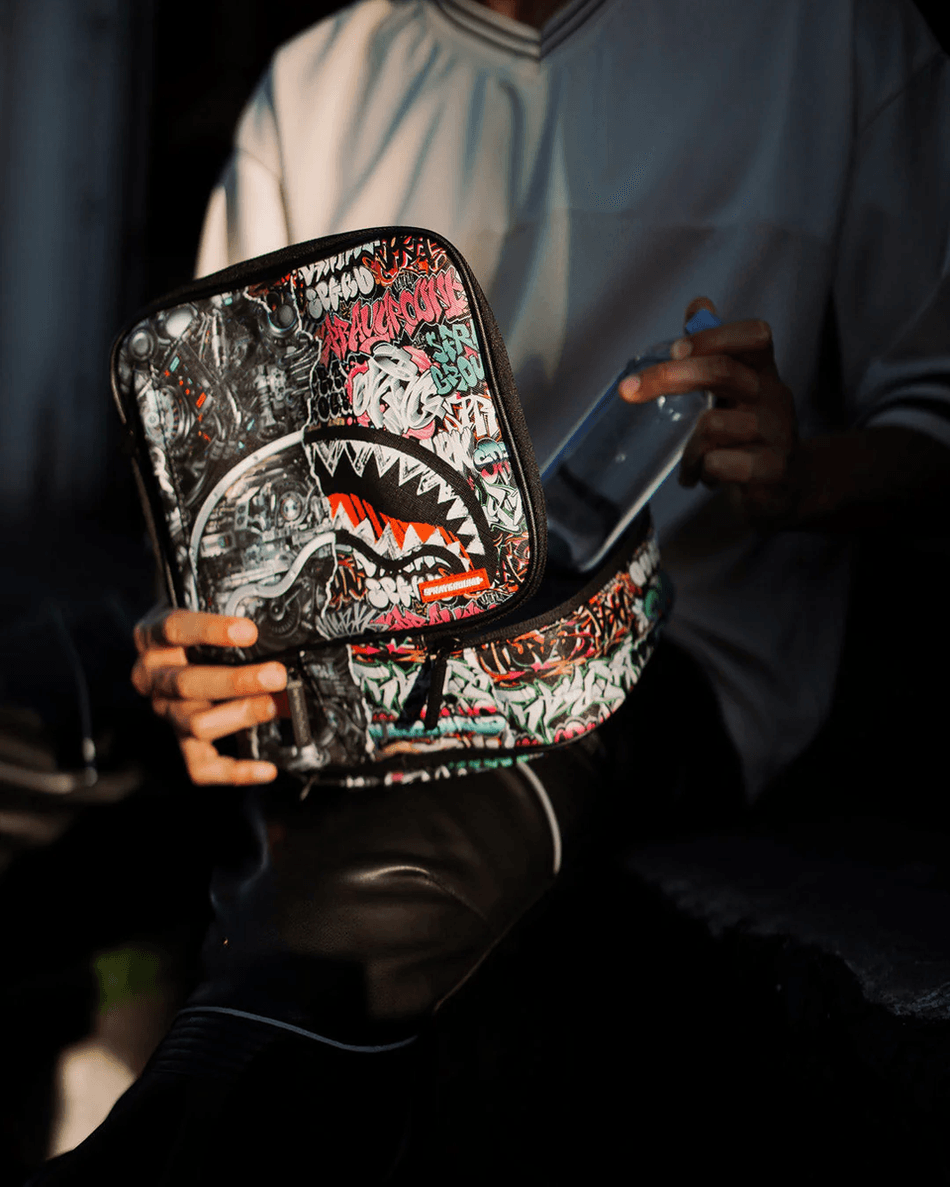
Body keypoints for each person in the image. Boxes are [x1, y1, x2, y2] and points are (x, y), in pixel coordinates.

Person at [31, 0, 950, 1181]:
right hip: (321, 660)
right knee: (38, 719)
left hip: (639, 656)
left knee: (326, 943)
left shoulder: (832, 39)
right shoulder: (321, 78)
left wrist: (801, 471)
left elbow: (933, 414)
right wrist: (191, 642)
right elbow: (217, 482)